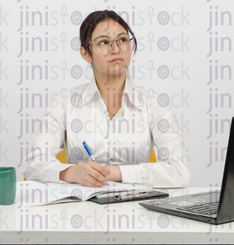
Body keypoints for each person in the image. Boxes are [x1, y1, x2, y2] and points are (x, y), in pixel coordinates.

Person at [21, 10, 191, 188]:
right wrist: (73, 172)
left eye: (122, 40)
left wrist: (111, 173)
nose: (116, 49)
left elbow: (180, 171)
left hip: (136, 209)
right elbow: (33, 164)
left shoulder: (153, 104)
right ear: (86, 53)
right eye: (104, 42)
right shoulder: (65, 102)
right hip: (80, 208)